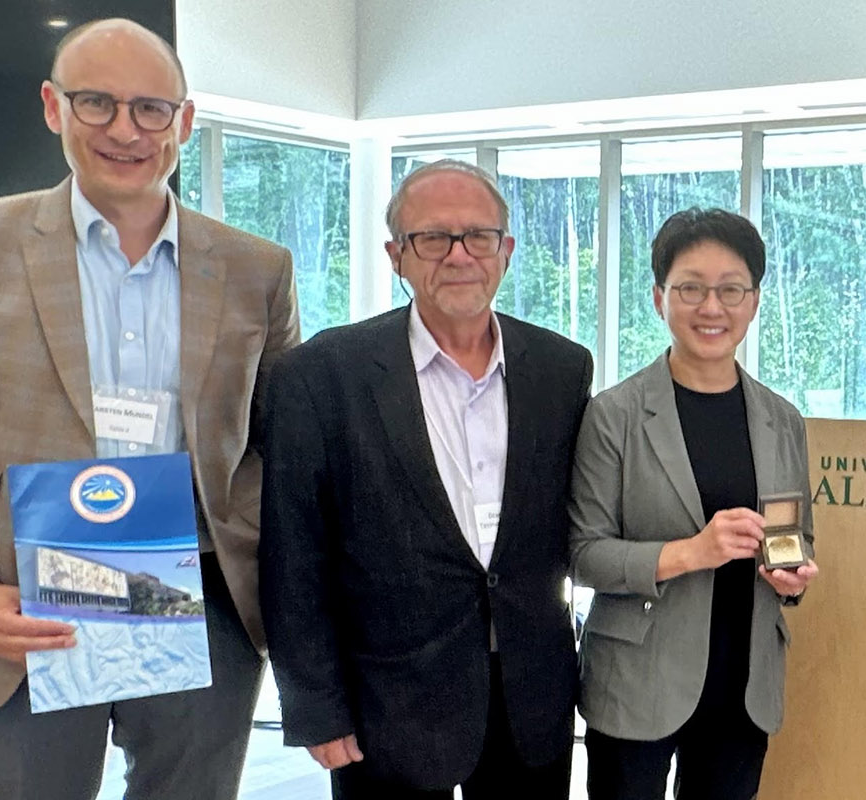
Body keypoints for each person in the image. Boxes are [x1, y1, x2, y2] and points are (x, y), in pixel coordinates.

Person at [0, 18, 298, 799]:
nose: (126, 130)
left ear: (184, 122)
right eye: (98, 103)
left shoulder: (258, 268)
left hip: (198, 605)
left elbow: (282, 451)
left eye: (152, 109)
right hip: (18, 610)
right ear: (54, 107)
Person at [259, 159, 592, 799]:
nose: (459, 254)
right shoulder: (323, 374)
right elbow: (293, 555)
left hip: (530, 693)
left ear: (507, 250)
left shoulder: (561, 369)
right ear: (397, 256)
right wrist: (316, 707)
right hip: (388, 702)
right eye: (433, 238)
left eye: (479, 236)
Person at [567, 208, 819, 800]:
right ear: (659, 298)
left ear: (754, 301)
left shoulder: (782, 419)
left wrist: (794, 578)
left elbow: (797, 535)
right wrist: (691, 552)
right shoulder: (615, 415)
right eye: (691, 289)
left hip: (744, 683)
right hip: (637, 681)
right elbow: (583, 554)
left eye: (731, 289)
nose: (712, 308)